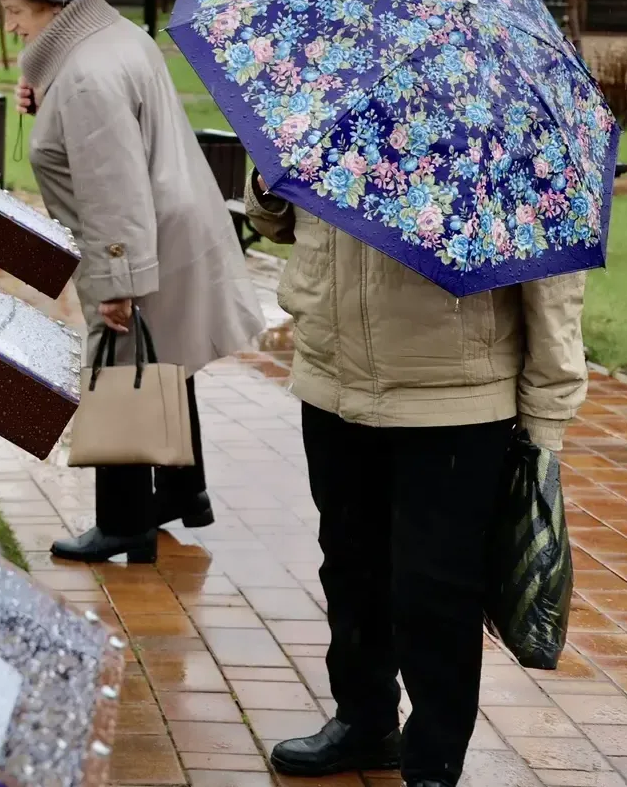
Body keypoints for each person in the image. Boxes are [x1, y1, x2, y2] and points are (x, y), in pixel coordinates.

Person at [245, 179, 587, 787]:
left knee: (435, 591)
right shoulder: (325, 93)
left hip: (455, 399)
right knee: (349, 567)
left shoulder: (492, 114)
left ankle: (433, 761)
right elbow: (277, 224)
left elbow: (552, 271)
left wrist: (547, 415)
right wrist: (267, 188)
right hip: (333, 381)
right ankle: (365, 720)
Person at [0, 0, 263, 564]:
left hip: (134, 238)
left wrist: (118, 282)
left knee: (118, 366)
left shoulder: (85, 74)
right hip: (169, 227)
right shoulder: (109, 38)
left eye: (15, 10)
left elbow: (111, 186)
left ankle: (124, 523)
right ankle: (180, 491)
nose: (9, 24)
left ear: (52, 3)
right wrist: (42, 88)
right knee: (161, 359)